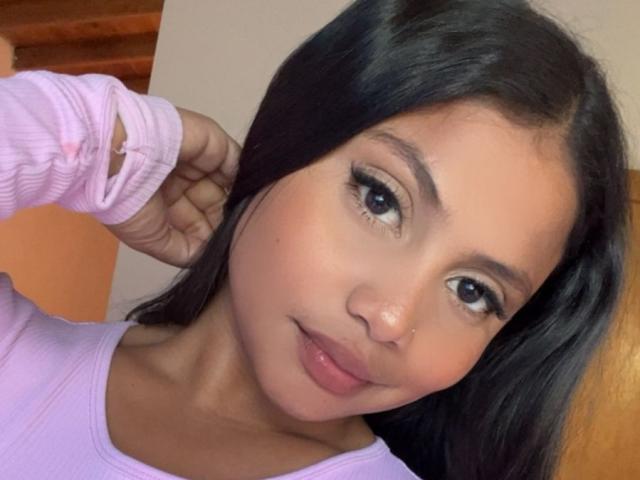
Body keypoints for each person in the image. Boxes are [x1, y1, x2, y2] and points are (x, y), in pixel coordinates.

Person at [0, 0, 630, 479]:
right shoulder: (17, 362)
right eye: (381, 200)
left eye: (473, 292)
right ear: (287, 138)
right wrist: (98, 139)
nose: (390, 318)